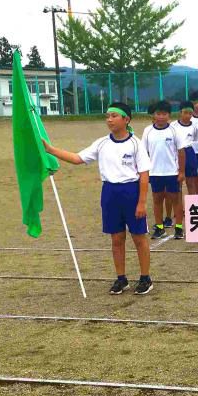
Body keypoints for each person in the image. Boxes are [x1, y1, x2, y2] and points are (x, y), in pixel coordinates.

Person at [43, 102, 153, 295]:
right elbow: (78, 158)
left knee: (138, 237)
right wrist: (51, 150)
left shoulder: (136, 143)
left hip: (131, 192)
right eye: (107, 116)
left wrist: (142, 202)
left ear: (126, 120)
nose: (109, 119)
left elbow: (144, 174)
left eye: (114, 116)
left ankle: (145, 278)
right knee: (116, 238)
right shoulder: (102, 143)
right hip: (110, 193)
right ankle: (121, 278)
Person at [141, 100, 187, 240]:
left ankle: (179, 227)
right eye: (158, 114)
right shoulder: (147, 131)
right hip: (155, 173)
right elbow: (143, 153)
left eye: (164, 114)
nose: (161, 117)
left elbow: (181, 152)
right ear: (154, 115)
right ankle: (160, 227)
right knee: (157, 199)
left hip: (172, 172)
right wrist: (145, 172)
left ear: (169, 115)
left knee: (176, 200)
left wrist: (181, 171)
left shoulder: (174, 130)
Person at [172, 101, 198, 197]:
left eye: (190, 113)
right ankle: (179, 209)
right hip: (177, 153)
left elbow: (194, 139)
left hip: (189, 153)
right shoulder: (173, 126)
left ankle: (191, 209)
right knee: (178, 184)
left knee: (191, 183)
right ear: (180, 112)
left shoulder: (194, 127)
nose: (188, 115)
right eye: (185, 113)